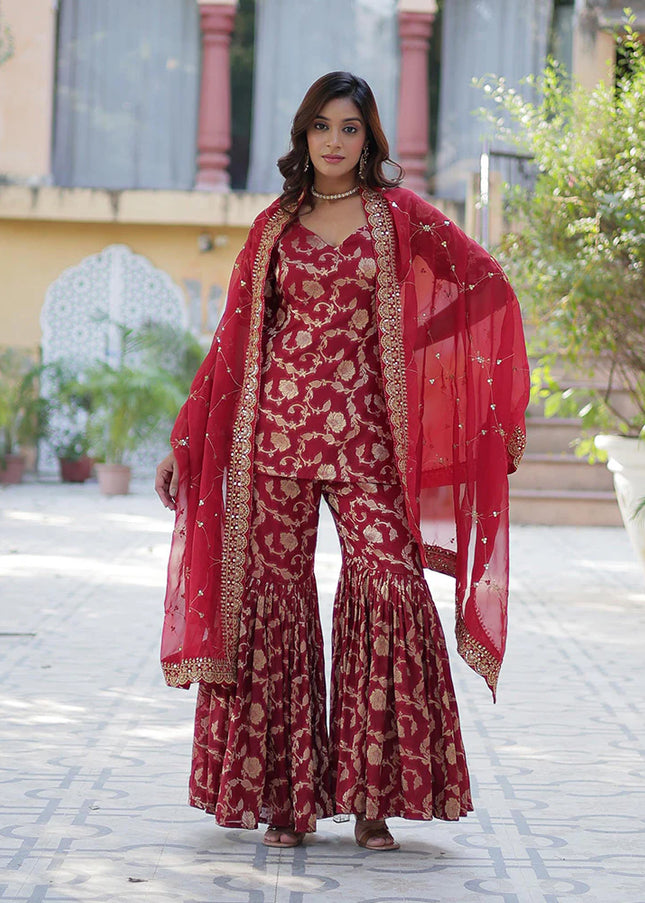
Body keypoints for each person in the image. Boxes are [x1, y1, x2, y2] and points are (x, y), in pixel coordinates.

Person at [155, 71, 529, 851]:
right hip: (275, 437)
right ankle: (283, 798)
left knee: (386, 586)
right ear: (304, 135)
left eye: (349, 128)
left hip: (365, 441)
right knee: (272, 601)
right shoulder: (274, 227)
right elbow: (232, 340)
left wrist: (428, 368)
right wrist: (186, 436)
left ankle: (373, 796)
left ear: (369, 137)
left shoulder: (400, 218)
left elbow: (484, 284)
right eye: (322, 126)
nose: (334, 140)